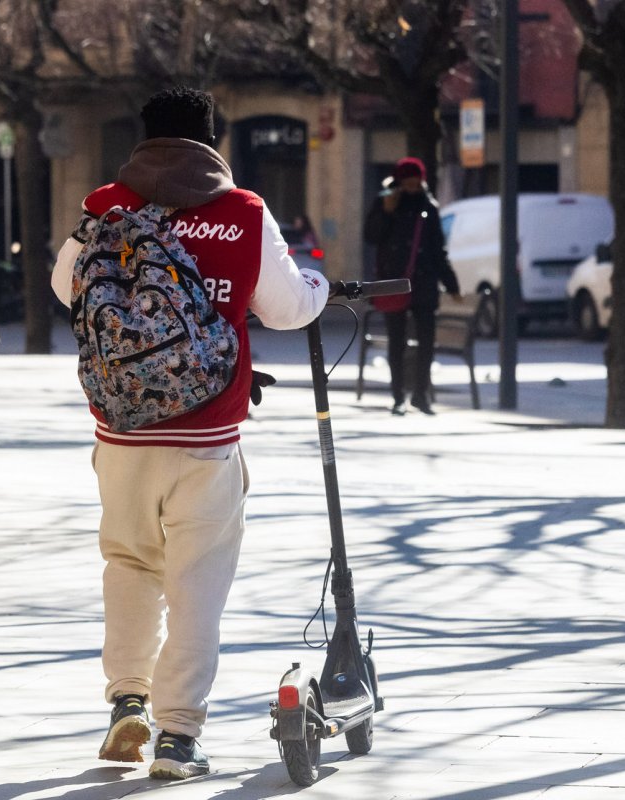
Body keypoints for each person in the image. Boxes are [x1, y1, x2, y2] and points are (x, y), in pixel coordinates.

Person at [50, 86, 329, 780]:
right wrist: (319, 287)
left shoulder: (106, 205)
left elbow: (65, 286)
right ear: (212, 142)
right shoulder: (242, 212)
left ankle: (127, 703)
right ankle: (178, 736)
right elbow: (289, 308)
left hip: (122, 435)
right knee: (197, 585)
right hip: (208, 434)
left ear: (144, 141)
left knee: (130, 566)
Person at [363, 157, 461, 415]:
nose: (412, 188)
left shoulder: (429, 206)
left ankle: (421, 394)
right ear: (398, 181)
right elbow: (371, 236)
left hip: (424, 283)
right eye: (407, 183)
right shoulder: (386, 201)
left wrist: (450, 282)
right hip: (395, 283)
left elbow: (438, 249)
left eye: (416, 183)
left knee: (426, 342)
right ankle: (398, 396)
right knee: (397, 342)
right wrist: (386, 210)